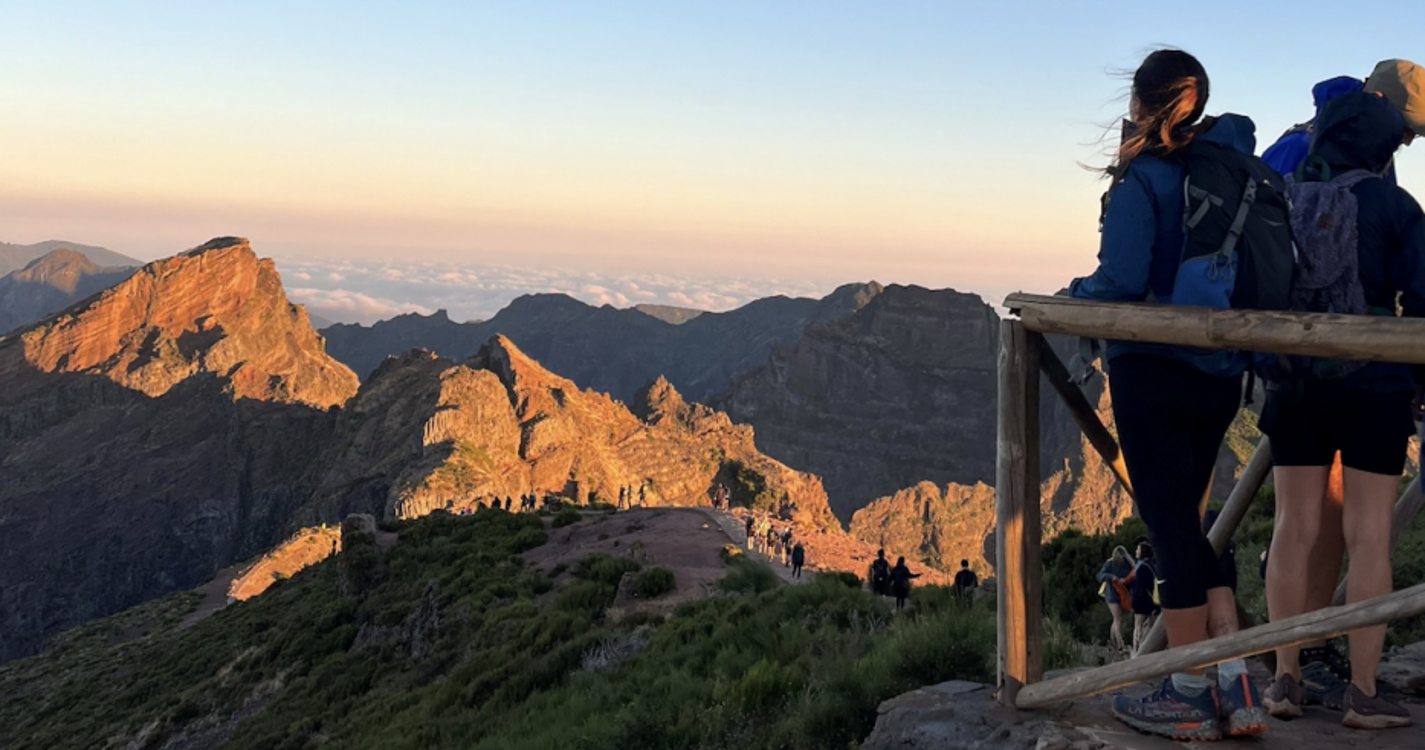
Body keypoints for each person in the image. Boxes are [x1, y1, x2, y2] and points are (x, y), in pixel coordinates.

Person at [1068, 49, 1267, 740]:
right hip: (1218, 377)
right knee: (1192, 529)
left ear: (1140, 102)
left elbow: (1120, 278)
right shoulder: (1229, 172)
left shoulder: (1145, 177)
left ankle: (1185, 691)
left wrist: (1075, 298)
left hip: (1150, 372)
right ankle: (1234, 684)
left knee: (1173, 532)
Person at [1259, 61, 1424, 712]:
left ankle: (1284, 677)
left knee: (1292, 528)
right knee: (1368, 536)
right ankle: (1360, 691)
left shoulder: (1285, 194)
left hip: (1294, 383)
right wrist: (1416, 381)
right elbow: (1420, 302)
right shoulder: (1395, 205)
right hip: (1374, 387)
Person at [1097, 546, 1134, 650]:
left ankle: (1112, 643)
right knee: (1118, 619)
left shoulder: (1128, 564)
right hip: (1112, 596)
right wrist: (1111, 577)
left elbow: (1132, 576)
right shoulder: (1110, 564)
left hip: (1122, 595)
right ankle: (1120, 644)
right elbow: (1100, 576)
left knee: (1116, 619)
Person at [1128, 542, 1159, 658]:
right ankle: (1147, 648)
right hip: (1152, 601)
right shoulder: (1153, 565)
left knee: (1138, 626)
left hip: (1141, 601)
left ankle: (1137, 651)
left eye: (1138, 549)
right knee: (1149, 625)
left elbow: (1139, 586)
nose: (1136, 551)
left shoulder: (1141, 567)